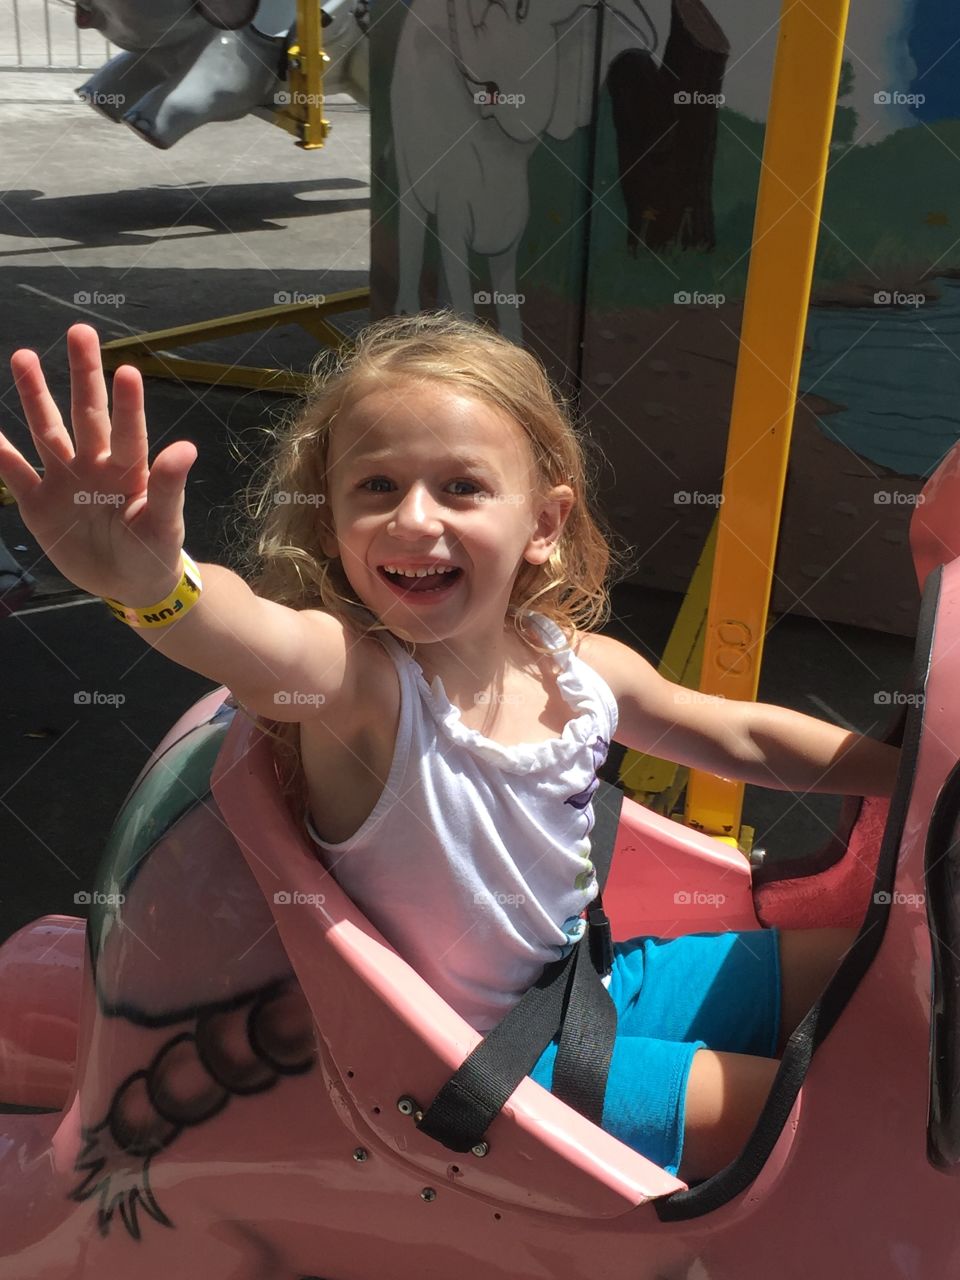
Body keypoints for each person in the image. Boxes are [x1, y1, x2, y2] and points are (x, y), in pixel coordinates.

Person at [0, 313, 899, 1185]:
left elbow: (739, 733)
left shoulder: (576, 665)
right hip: (483, 1071)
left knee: (888, 964)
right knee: (838, 1106)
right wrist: (159, 587)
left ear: (543, 524)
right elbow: (249, 639)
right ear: (332, 524)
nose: (414, 520)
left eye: (462, 487)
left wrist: (910, 774)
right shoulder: (359, 686)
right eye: (377, 487)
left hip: (590, 985)